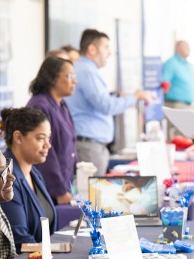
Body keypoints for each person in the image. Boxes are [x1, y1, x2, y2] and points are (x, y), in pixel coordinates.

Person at [65, 29, 152, 175]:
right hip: (89, 146)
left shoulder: (84, 69)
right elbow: (106, 105)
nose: (109, 53)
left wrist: (126, 97)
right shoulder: (87, 71)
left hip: (91, 145)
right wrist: (135, 97)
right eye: (105, 47)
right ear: (92, 49)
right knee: (91, 196)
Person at [0, 107, 57, 250]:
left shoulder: (34, 173)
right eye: (40, 138)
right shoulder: (7, 178)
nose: (47, 145)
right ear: (18, 137)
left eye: (48, 138)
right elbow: (19, 239)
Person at [27, 57, 77, 205]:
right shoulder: (40, 106)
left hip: (65, 185)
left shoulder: (61, 104)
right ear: (52, 78)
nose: (74, 81)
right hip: (50, 191)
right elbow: (44, 152)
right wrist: (59, 191)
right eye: (70, 76)